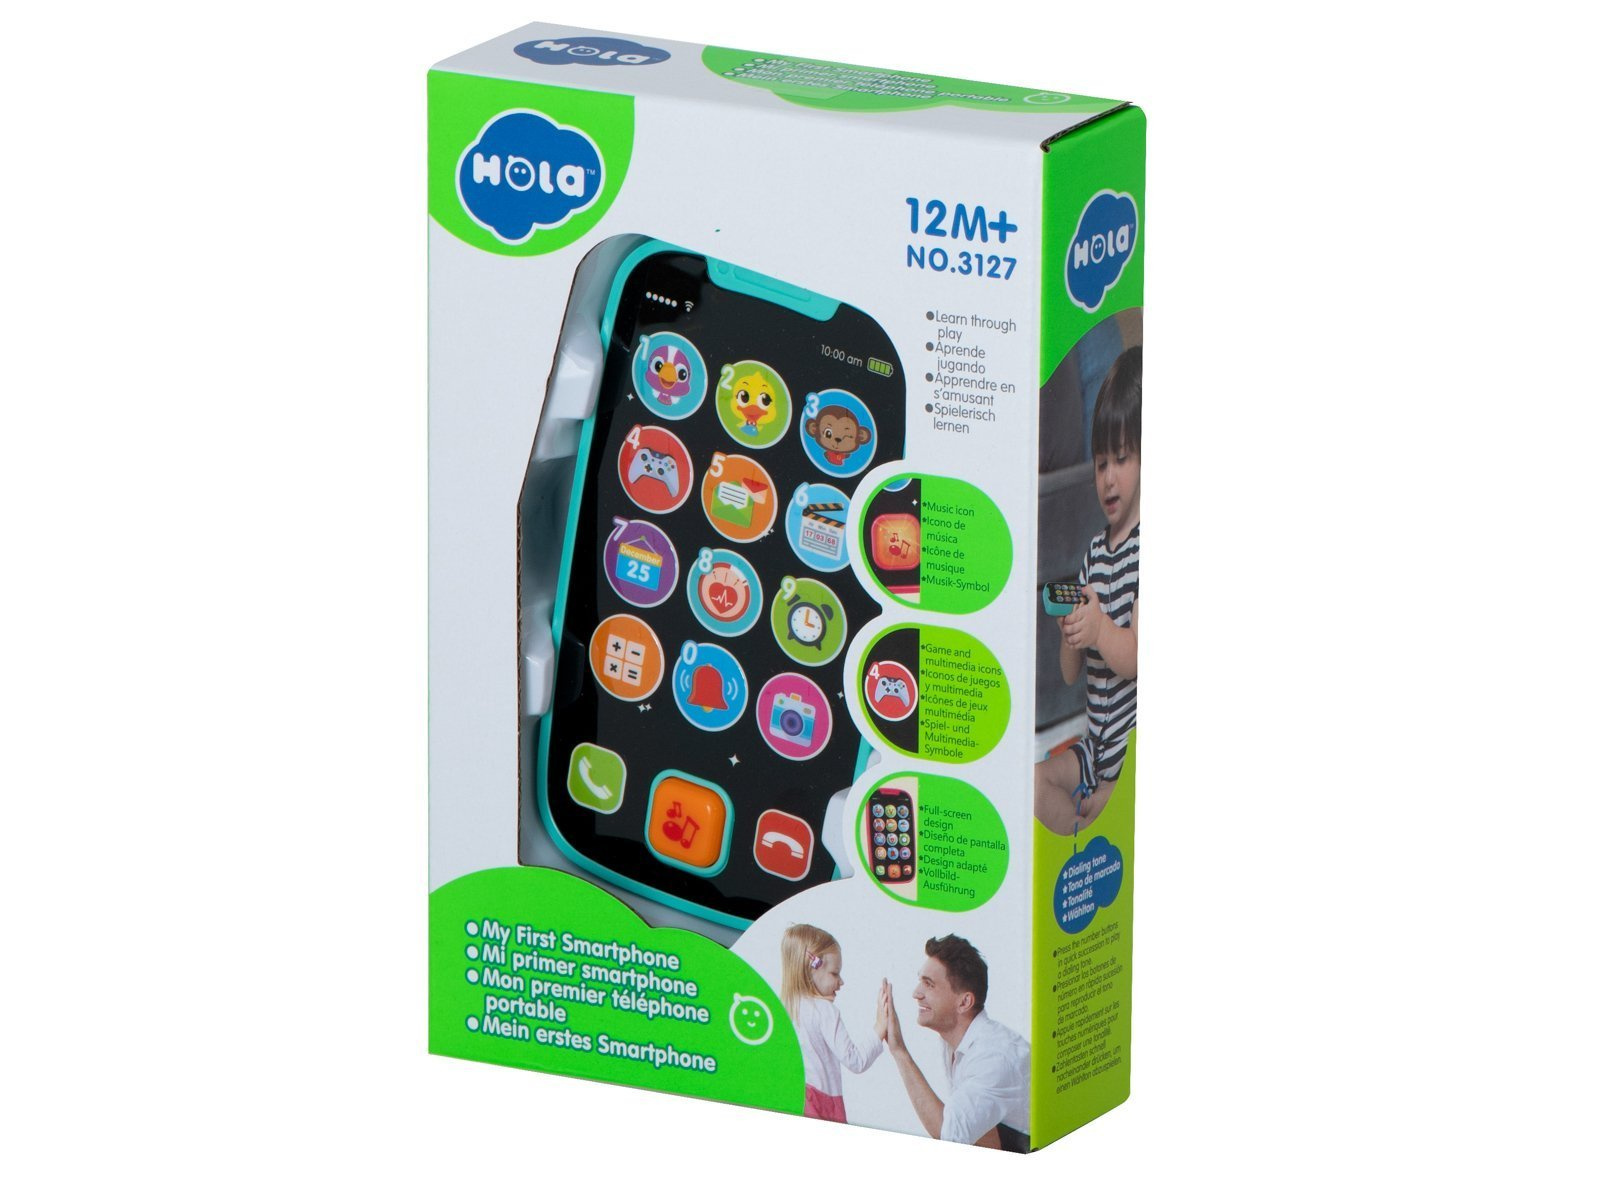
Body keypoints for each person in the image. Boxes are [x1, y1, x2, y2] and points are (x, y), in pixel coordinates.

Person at [1035, 345, 1141, 836]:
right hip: (1094, 750)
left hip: (1132, 757)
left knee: (1113, 805)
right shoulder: (1094, 553)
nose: (1108, 478)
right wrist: (1072, 634)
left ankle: (1098, 824)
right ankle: (1079, 836)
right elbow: (1070, 673)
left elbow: (1134, 659)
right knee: (1034, 783)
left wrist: (1099, 628)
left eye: (1121, 460)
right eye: (1100, 464)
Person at [878, 935, 1030, 1149]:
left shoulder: (993, 1058)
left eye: (929, 984)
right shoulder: (956, 1040)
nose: (916, 993)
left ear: (964, 1002)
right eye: (920, 981)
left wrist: (899, 1051)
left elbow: (950, 1135)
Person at [779, 923, 883, 1122]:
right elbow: (855, 1061)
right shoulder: (825, 1011)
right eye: (835, 973)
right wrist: (879, 1028)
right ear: (811, 968)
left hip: (793, 1098)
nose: (841, 982)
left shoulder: (785, 1007)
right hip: (822, 1104)